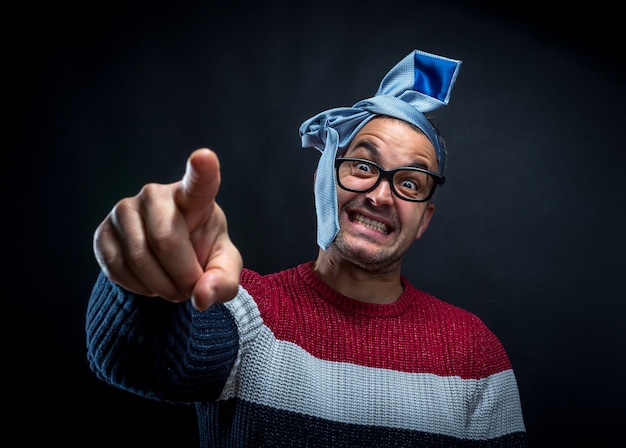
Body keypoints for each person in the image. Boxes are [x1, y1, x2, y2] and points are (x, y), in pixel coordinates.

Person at [87, 49, 527, 447]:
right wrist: (146, 280)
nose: (380, 195)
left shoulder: (475, 354)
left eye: (410, 182)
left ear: (424, 221)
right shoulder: (247, 312)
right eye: (362, 165)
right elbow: (139, 359)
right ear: (323, 180)